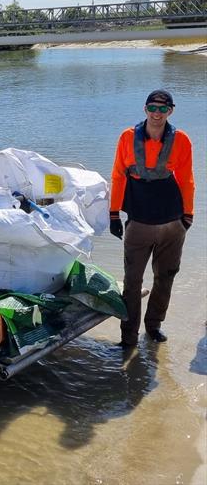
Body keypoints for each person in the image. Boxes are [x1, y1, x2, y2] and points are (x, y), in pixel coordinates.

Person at [110, 89, 194, 346]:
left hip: (172, 222)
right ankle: (128, 337)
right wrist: (114, 213)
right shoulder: (127, 137)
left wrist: (188, 215)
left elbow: (187, 180)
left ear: (171, 111)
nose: (157, 114)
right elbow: (118, 176)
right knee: (132, 282)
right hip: (139, 222)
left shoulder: (181, 140)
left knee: (165, 277)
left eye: (162, 109)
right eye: (152, 108)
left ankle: (154, 326)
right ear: (145, 109)